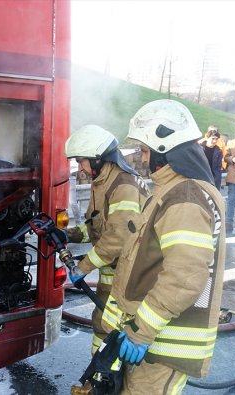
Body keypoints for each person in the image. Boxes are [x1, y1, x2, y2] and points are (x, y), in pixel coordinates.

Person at [97, 100, 225, 395]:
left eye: (145, 151)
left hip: (162, 344)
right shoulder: (173, 191)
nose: (142, 159)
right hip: (152, 339)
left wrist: (142, 330)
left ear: (163, 151)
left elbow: (185, 277)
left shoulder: (185, 198)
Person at [64, 125, 150, 393]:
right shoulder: (102, 182)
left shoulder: (122, 184)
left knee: (112, 329)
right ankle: (99, 378)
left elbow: (118, 238)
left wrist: (82, 266)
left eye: (82, 160)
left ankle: (106, 384)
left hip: (130, 274)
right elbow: (97, 227)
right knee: (103, 324)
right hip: (113, 274)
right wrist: (69, 235)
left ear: (98, 158)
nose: (80, 167)